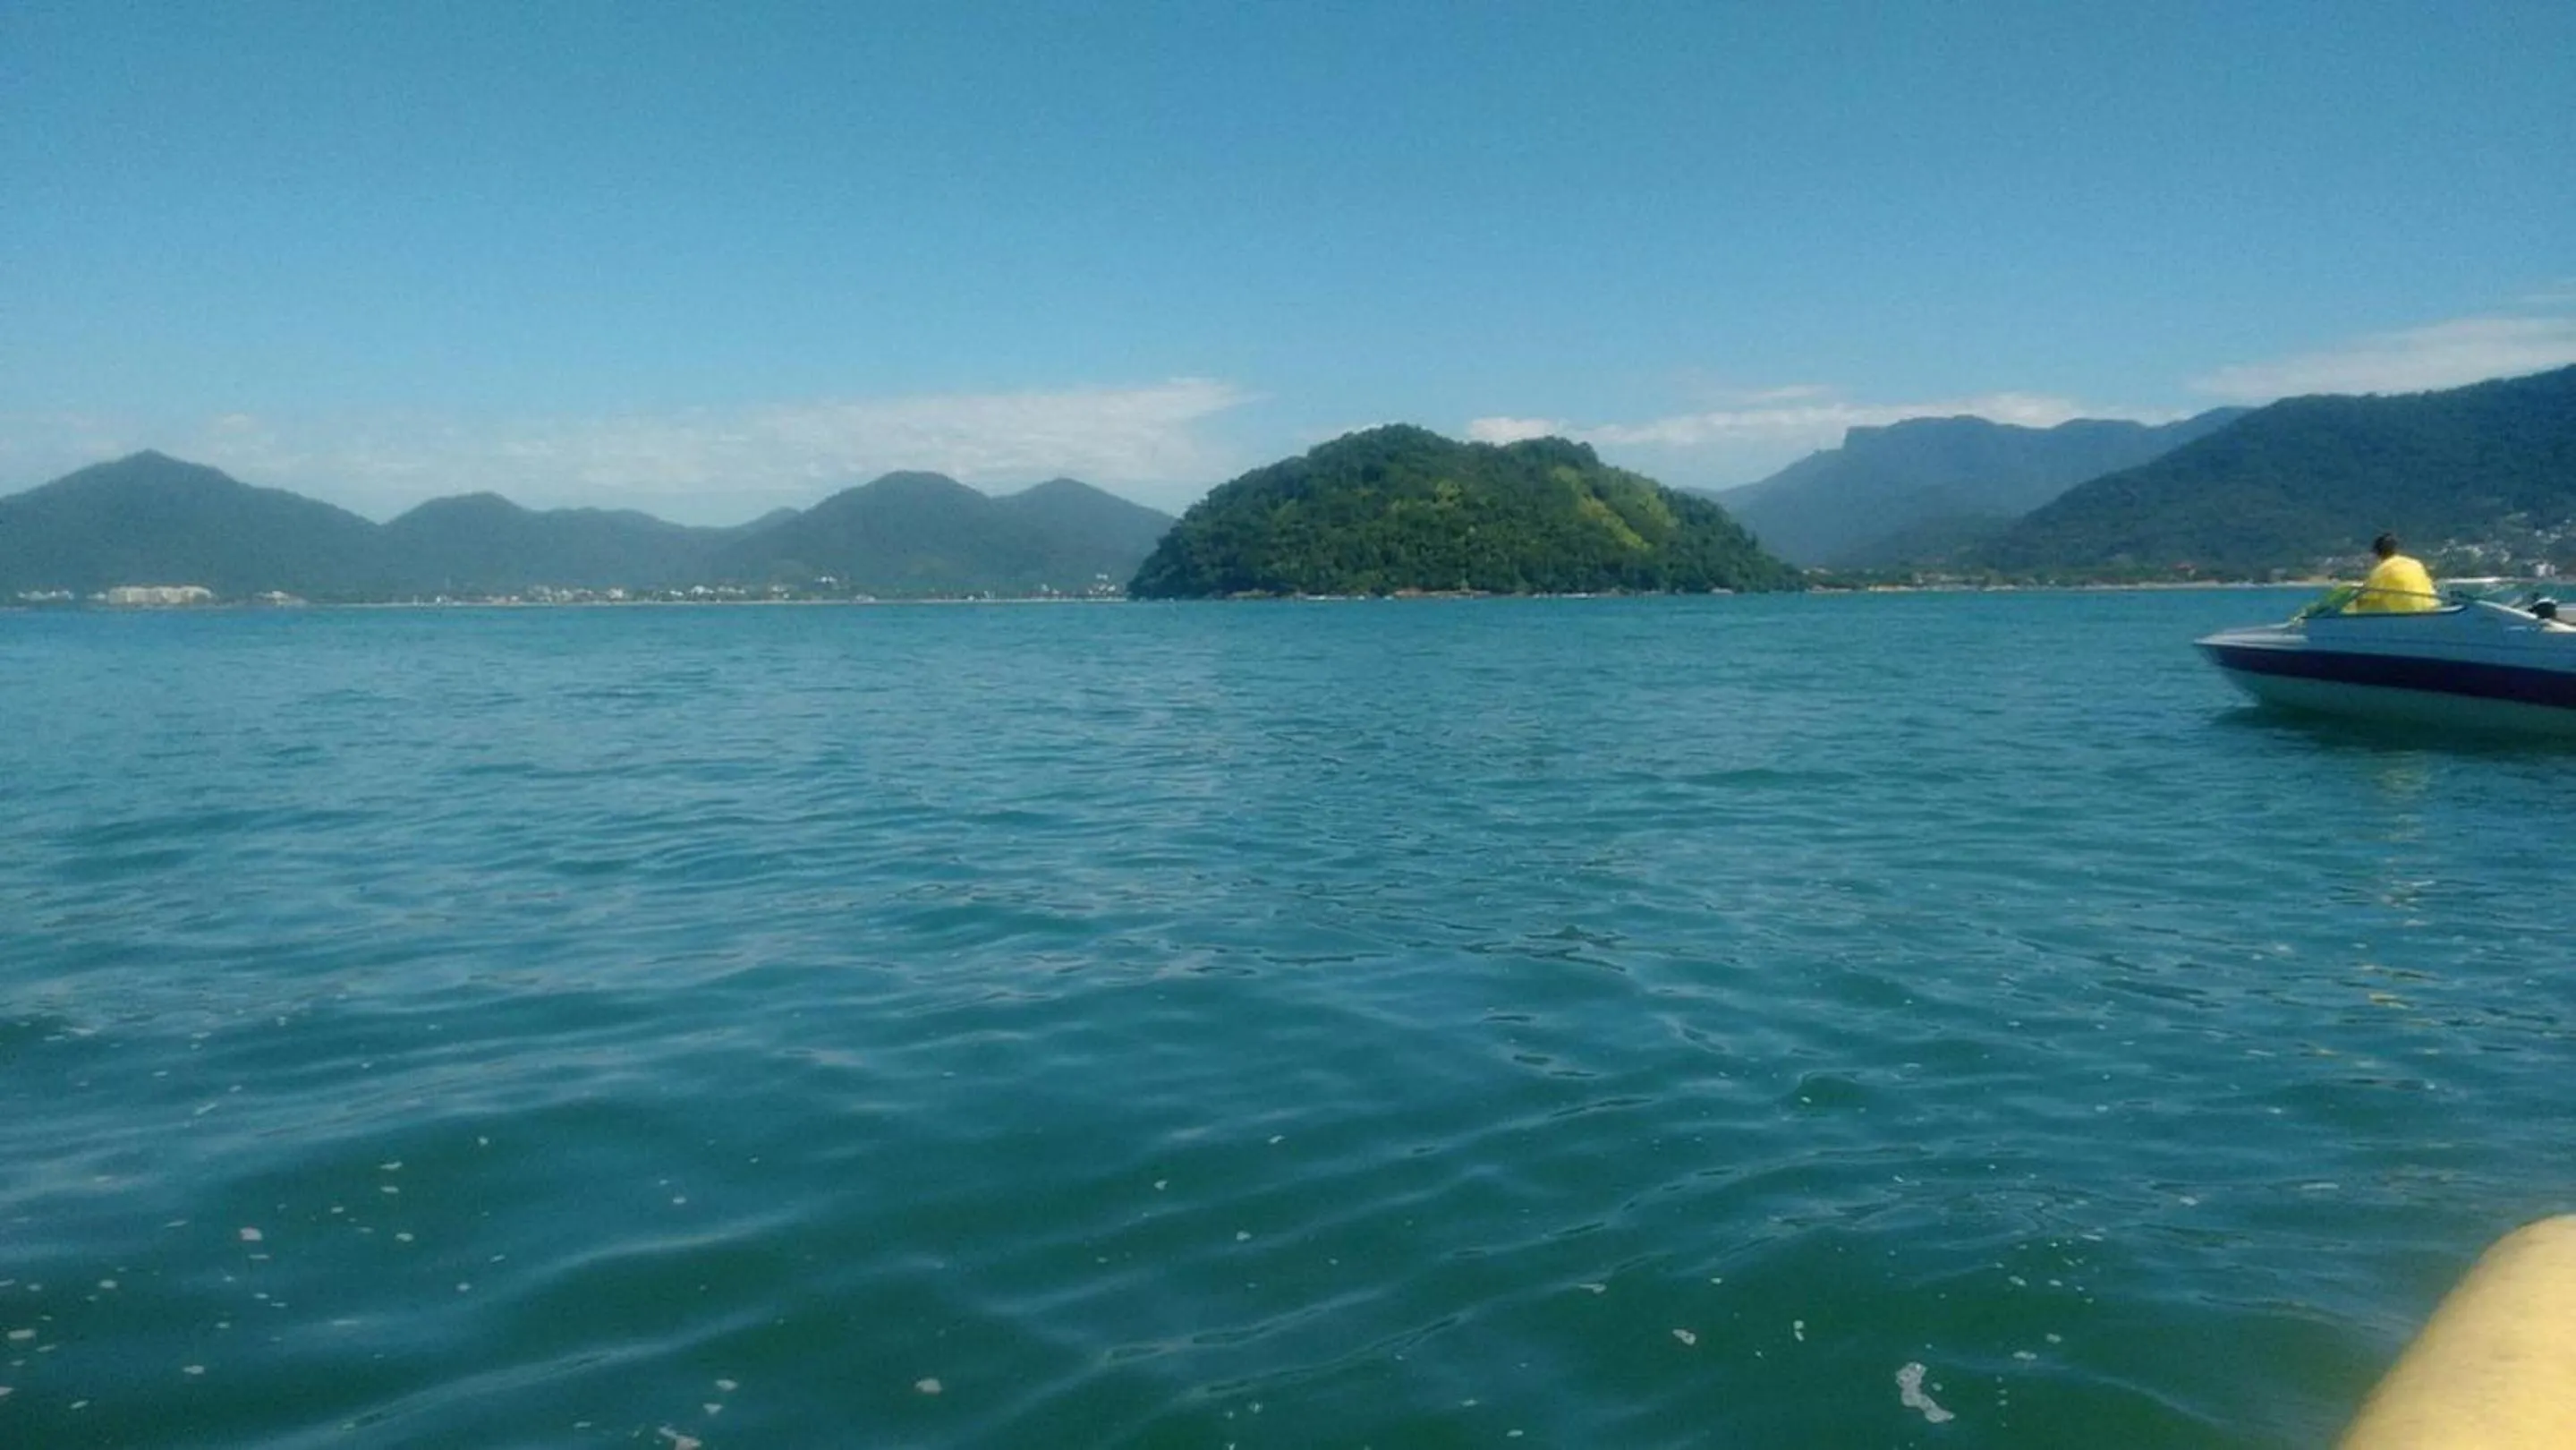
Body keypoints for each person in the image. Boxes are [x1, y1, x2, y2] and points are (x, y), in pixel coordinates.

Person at [2351, 533, 2438, 613]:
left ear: (2377, 554)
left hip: (2404, 615)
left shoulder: (2380, 571)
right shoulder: (2416, 563)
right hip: (2431, 610)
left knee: (2366, 602)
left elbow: (2364, 598)